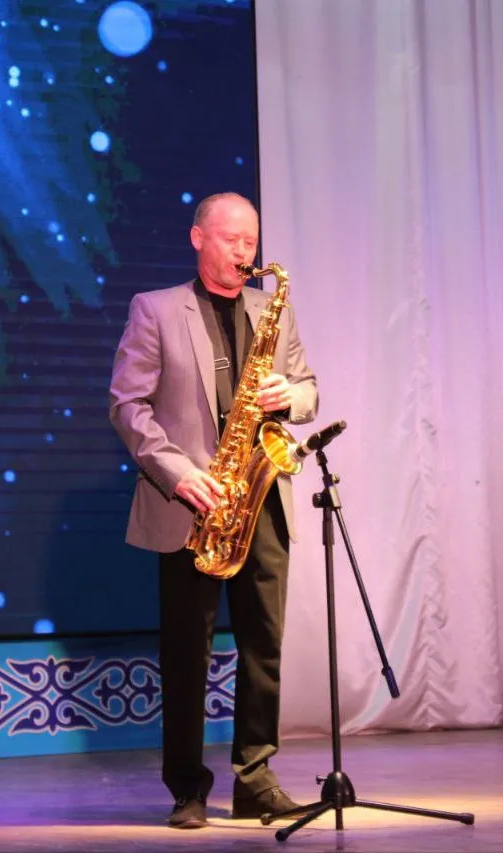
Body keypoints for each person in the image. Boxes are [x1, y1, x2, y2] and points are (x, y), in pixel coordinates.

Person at [108, 192, 319, 829]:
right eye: (230, 239)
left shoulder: (272, 308)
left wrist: (291, 395)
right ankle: (187, 788)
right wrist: (180, 476)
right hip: (194, 503)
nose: (243, 252)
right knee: (186, 654)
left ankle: (255, 780)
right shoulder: (154, 309)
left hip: (262, 501)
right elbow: (127, 406)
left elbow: (309, 388)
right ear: (198, 238)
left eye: (251, 242)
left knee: (264, 648)